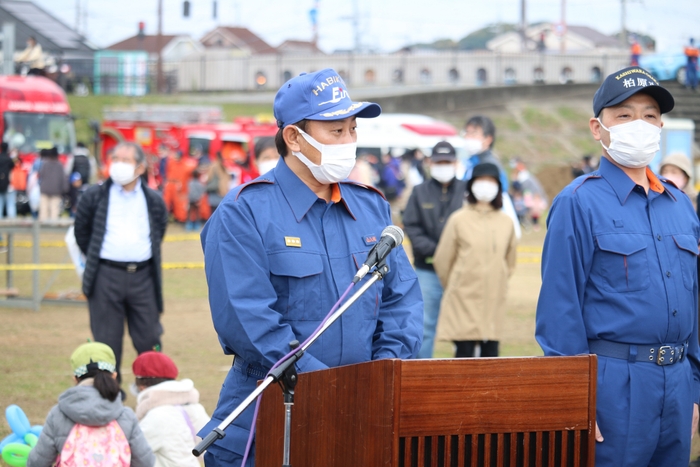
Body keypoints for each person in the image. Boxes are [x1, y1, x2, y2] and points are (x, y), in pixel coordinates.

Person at [199, 68, 423, 467]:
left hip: (360, 417)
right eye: (336, 132)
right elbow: (250, 324)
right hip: (268, 419)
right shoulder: (243, 213)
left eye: (353, 130)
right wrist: (334, 390)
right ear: (293, 137)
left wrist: (379, 380)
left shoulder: (371, 207)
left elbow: (402, 303)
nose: (349, 142)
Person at [535, 66, 700, 466]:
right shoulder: (578, 202)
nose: (638, 125)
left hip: (677, 383)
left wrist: (694, 387)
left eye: (648, 115)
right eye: (623, 115)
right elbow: (560, 311)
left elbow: (695, 304)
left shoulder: (681, 206)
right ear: (598, 127)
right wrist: (577, 398)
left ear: (661, 125)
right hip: (614, 387)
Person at [74, 142, 168, 384]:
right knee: (106, 343)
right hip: (106, 276)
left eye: (125, 160)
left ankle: (153, 393)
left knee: (149, 339)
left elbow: (159, 230)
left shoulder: (153, 200)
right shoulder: (94, 196)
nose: (118, 164)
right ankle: (110, 400)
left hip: (143, 277)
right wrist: (99, 256)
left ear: (140, 167)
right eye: (115, 158)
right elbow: (81, 232)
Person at [433, 162, 517, 358]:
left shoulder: (506, 222)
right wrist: (457, 282)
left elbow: (510, 261)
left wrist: (499, 279)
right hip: (463, 298)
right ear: (471, 185)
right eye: (481, 180)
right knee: (464, 355)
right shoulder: (459, 219)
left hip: (493, 298)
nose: (485, 185)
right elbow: (443, 259)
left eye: (490, 181)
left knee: (491, 355)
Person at [26, 342, 154, 467]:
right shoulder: (126, 415)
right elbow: (145, 462)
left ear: (75, 378)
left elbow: (38, 462)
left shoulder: (58, 414)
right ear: (114, 376)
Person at [403, 141, 467, 358]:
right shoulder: (419, 192)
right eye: (438, 162)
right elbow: (411, 226)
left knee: (464, 328)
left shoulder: (467, 191)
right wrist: (439, 252)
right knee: (424, 327)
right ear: (430, 163)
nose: (443, 166)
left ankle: (464, 376)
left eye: (447, 162)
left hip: (461, 272)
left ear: (455, 163)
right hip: (427, 270)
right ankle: (420, 375)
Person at [132, 351, 210, 467]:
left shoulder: (156, 417)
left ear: (141, 386)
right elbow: (207, 447)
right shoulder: (196, 408)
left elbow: (133, 453)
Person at [461, 115, 522, 239]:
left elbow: (502, 197)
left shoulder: (491, 166)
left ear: (488, 139)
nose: (468, 137)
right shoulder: (469, 162)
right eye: (467, 132)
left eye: (474, 133)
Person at [38, 147, 67, 221]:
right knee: (54, 211)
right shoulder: (60, 165)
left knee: (43, 211)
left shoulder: (45, 164)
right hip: (56, 191)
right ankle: (53, 230)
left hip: (44, 189)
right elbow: (63, 178)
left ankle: (42, 229)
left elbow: (41, 175)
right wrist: (65, 189)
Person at [0, 142, 16, 219]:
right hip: (8, 184)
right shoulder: (9, 159)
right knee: (10, 204)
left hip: (0, 183)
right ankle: (12, 223)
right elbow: (14, 165)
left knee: (0, 204)